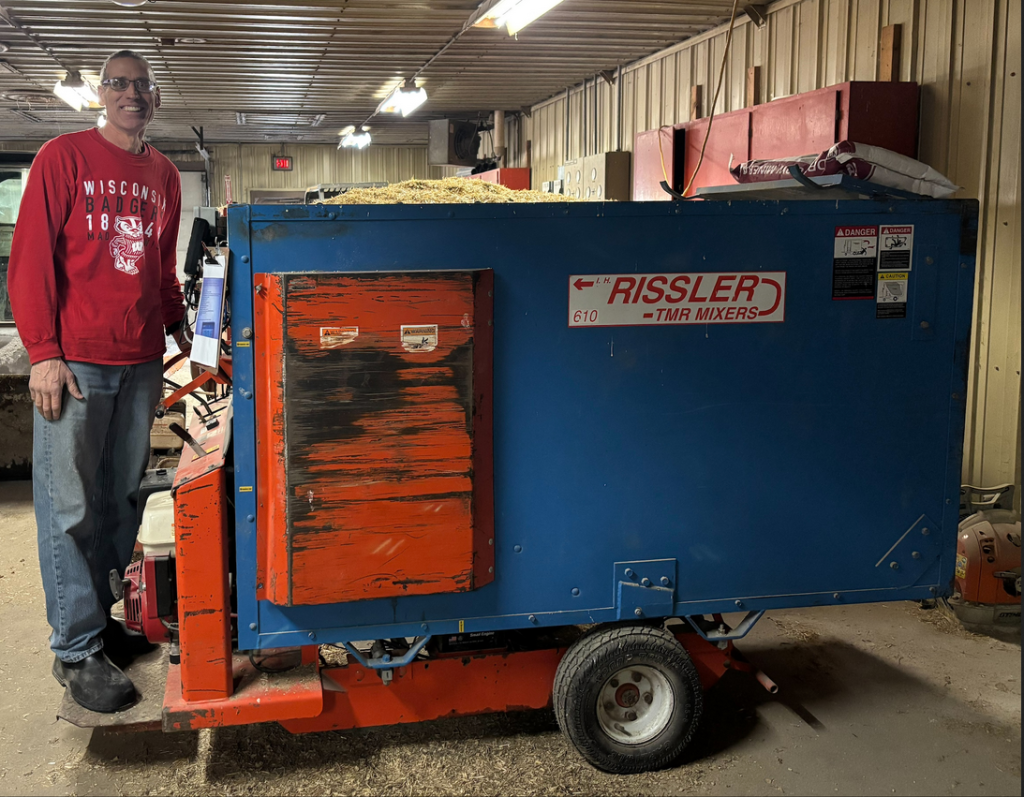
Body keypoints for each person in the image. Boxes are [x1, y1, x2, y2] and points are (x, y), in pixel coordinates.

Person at [8, 50, 190, 713]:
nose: (130, 95)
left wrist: (176, 325)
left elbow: (159, 266)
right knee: (69, 508)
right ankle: (76, 648)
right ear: (101, 95)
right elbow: (29, 262)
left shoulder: (165, 175)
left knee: (120, 502)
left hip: (138, 360)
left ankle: (103, 619)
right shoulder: (64, 159)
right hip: (76, 364)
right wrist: (44, 351)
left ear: (156, 99)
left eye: (142, 85)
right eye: (118, 84)